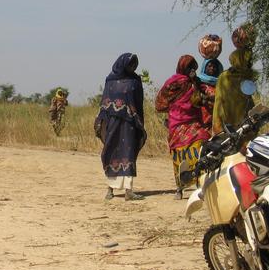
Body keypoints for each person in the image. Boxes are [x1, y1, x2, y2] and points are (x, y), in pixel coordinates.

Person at [155, 55, 211, 199]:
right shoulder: (172, 83)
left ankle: (200, 184)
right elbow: (160, 103)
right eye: (189, 67)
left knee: (200, 148)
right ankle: (179, 188)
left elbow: (205, 95)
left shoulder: (196, 83)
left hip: (194, 122)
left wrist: (195, 82)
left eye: (194, 68)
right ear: (183, 67)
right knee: (179, 156)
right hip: (177, 123)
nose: (192, 70)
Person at [95, 53, 146, 201]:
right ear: (122, 64)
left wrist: (139, 122)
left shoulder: (135, 81)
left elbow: (139, 102)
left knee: (128, 154)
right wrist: (101, 122)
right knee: (111, 151)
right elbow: (104, 102)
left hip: (130, 124)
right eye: (130, 64)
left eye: (134, 65)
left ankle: (128, 190)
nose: (133, 67)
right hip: (113, 123)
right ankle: (110, 189)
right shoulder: (110, 80)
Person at [213, 48, 256, 134]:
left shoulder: (248, 76)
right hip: (228, 122)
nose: (250, 63)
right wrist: (219, 123)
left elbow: (249, 100)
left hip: (246, 122)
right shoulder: (225, 77)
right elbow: (219, 102)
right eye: (247, 61)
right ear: (239, 61)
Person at [196, 57, 224, 130]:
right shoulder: (198, 82)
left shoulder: (221, 84)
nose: (212, 68)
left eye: (214, 67)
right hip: (203, 121)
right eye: (209, 66)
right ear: (204, 67)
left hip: (218, 120)